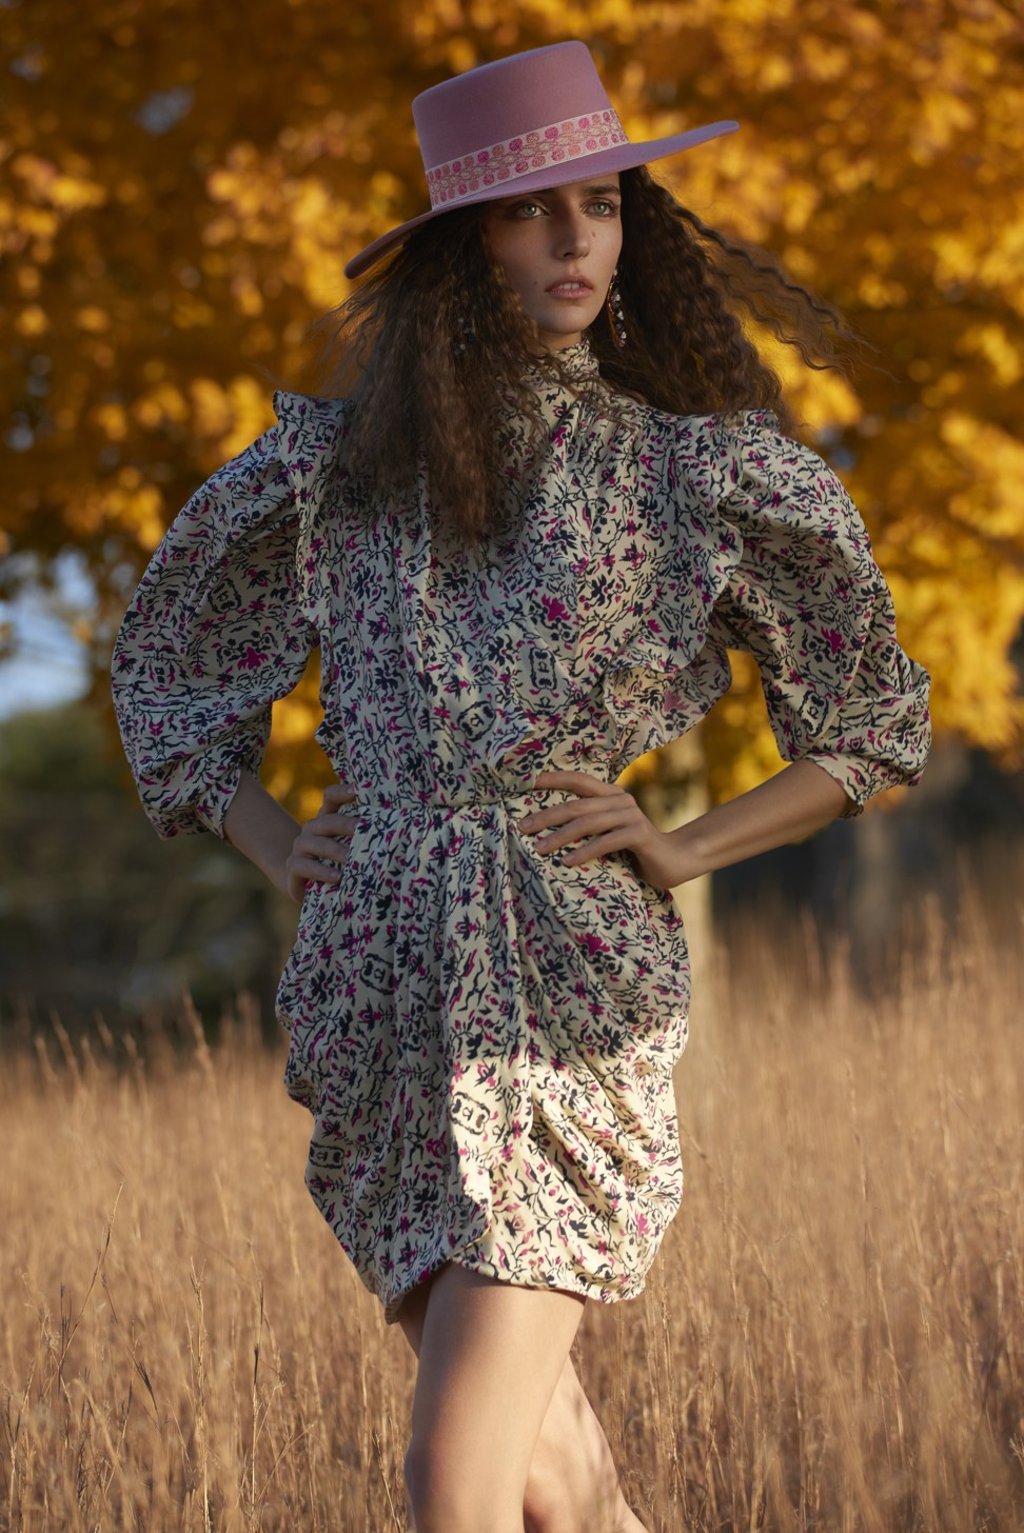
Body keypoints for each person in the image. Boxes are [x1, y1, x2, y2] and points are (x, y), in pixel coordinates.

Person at [110, 39, 932, 1533]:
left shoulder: (691, 474)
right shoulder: (328, 475)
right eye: (531, 210)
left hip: (561, 985)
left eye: (604, 204)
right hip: (378, 994)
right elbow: (169, 676)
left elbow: (869, 720)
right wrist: (277, 838)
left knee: (453, 1476)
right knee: (550, 1467)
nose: (576, 240)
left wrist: (684, 847)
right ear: (458, 246)